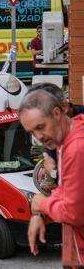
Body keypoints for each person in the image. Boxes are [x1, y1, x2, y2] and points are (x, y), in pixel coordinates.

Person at [21, 87, 84, 258]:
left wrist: (39, 203)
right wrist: (38, 213)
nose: (38, 136)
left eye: (41, 127)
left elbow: (74, 214)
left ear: (57, 113)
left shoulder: (76, 148)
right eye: (32, 132)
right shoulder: (65, 139)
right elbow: (65, 190)